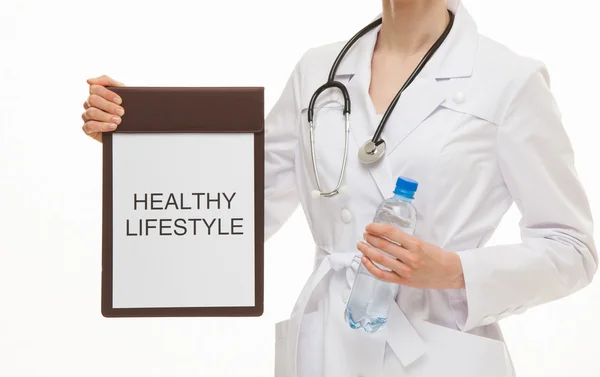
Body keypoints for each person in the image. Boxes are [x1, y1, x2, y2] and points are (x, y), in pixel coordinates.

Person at [81, 0, 597, 376]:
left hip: (440, 352)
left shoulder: (509, 81)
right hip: (325, 348)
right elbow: (239, 204)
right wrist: (144, 131)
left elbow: (573, 249)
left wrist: (453, 271)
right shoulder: (318, 70)